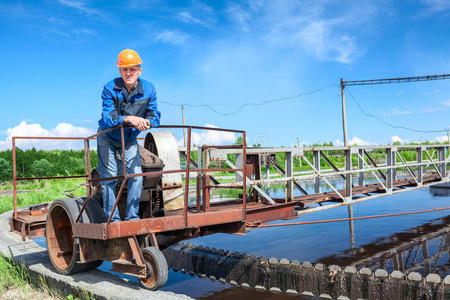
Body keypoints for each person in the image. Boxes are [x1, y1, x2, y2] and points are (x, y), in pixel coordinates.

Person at [97, 49, 160, 222]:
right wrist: (129, 119)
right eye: (124, 69)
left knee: (136, 176)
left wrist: (148, 122)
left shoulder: (149, 89)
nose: (128, 73)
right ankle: (113, 219)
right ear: (120, 71)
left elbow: (154, 115)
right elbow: (108, 118)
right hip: (107, 136)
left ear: (140, 71)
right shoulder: (110, 89)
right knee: (109, 176)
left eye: (132, 69)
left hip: (129, 138)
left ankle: (132, 217)